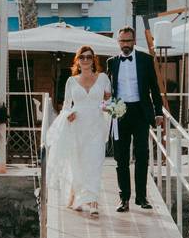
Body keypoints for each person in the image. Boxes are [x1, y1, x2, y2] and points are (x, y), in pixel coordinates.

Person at [44, 45, 111, 217]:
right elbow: (66, 106)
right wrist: (69, 114)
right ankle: (78, 198)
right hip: (78, 126)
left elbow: (109, 101)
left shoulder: (103, 78)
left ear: (94, 59)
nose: (86, 60)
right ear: (77, 60)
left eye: (89, 57)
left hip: (96, 125)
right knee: (79, 163)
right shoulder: (71, 81)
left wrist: (109, 108)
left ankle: (93, 201)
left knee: (94, 163)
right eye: (82, 57)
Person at [106, 26, 164, 213]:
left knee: (142, 155)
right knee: (121, 158)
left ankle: (142, 197)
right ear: (118, 42)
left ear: (134, 41)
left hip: (140, 111)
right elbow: (108, 90)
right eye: (122, 41)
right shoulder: (111, 63)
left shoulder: (146, 60)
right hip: (119, 113)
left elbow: (155, 88)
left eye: (128, 41)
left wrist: (158, 112)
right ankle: (124, 199)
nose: (125, 44)